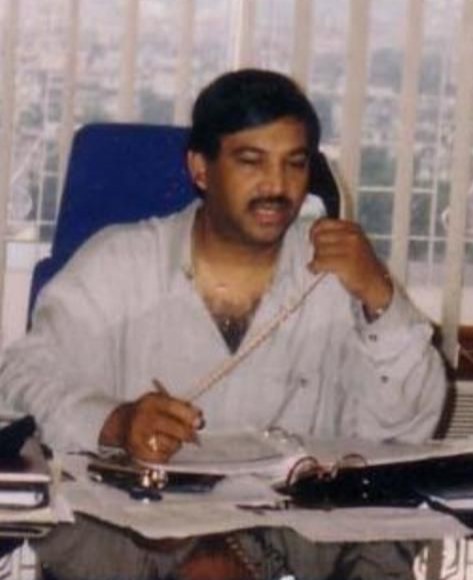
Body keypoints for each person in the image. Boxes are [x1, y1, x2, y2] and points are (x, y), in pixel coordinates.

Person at [0, 69, 446, 580]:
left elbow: (408, 429)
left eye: (295, 163)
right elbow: (21, 376)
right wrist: (113, 423)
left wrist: (379, 298)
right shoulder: (121, 261)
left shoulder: (337, 277)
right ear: (201, 169)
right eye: (251, 161)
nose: (277, 186)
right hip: (138, 536)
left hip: (293, 540)